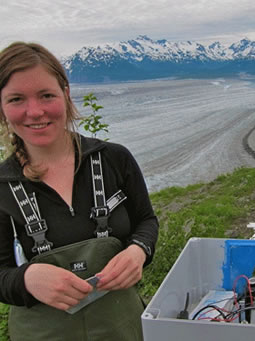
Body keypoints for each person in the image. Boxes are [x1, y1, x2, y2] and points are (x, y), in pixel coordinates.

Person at [0, 42, 159, 340]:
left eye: (46, 95)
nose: (35, 111)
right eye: (17, 99)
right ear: (1, 107)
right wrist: (26, 279)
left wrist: (139, 250)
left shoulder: (114, 159)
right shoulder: (1, 187)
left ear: (66, 94)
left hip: (123, 329)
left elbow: (146, 221)